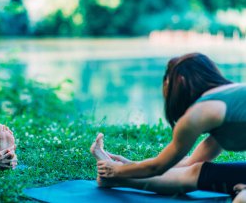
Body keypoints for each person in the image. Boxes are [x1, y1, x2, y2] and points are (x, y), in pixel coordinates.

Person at [90, 53, 246, 203]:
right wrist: (128, 166)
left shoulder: (200, 112)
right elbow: (189, 162)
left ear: (180, 80)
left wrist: (115, 170)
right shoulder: (230, 100)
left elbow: (157, 167)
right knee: (196, 171)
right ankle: (115, 181)